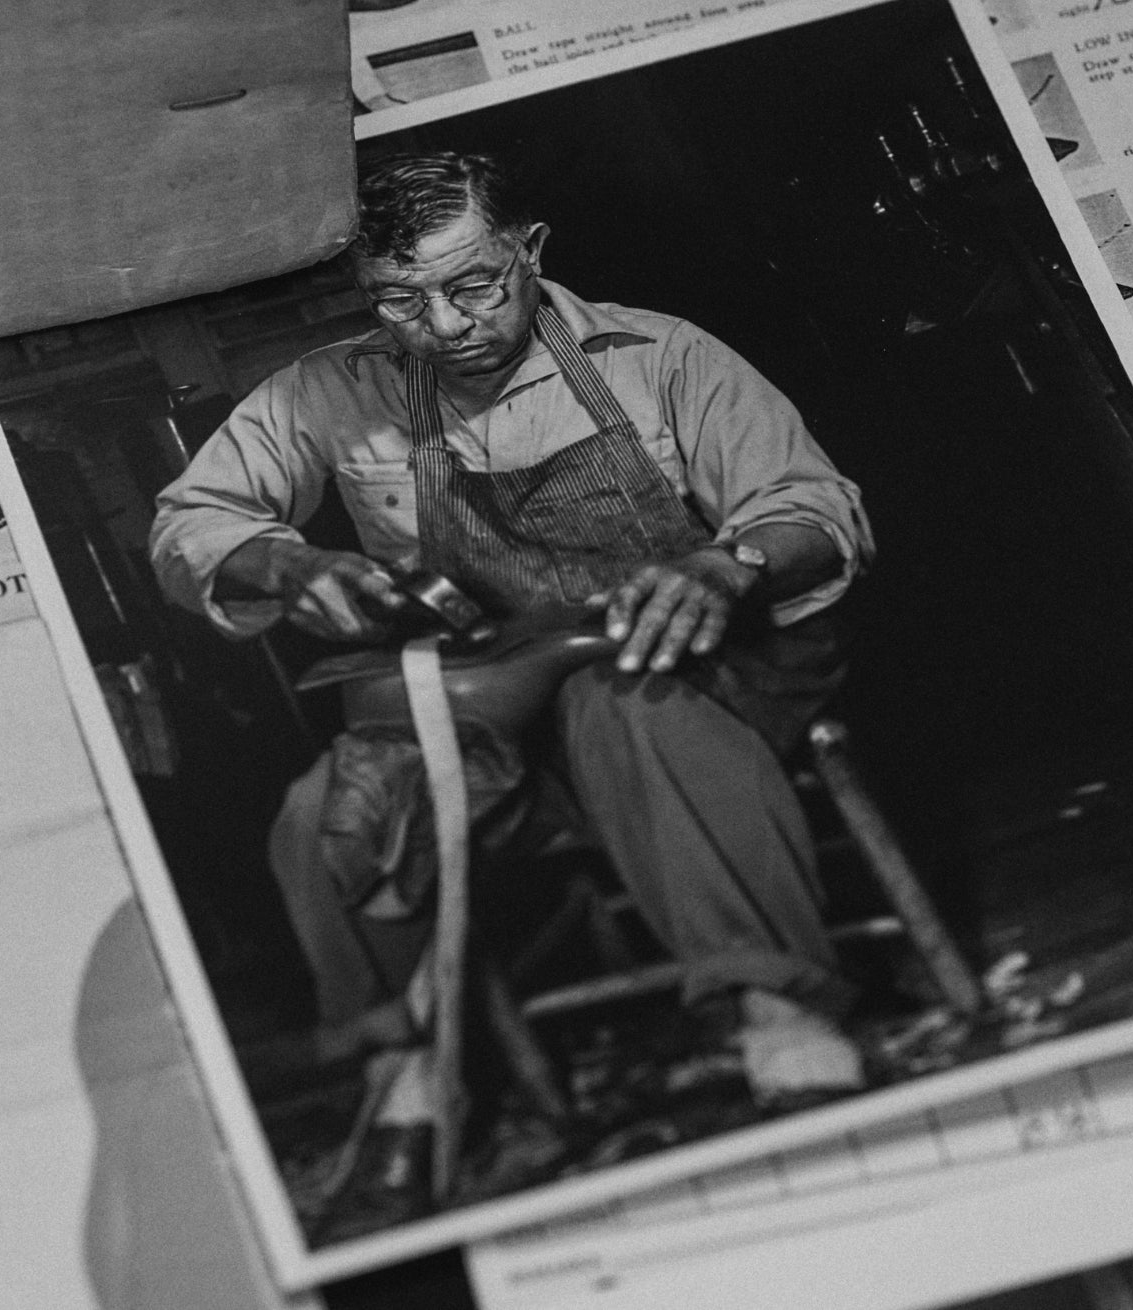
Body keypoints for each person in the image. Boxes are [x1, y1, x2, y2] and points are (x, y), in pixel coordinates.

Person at [150, 151, 876, 1101]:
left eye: (474, 286)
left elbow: (813, 508)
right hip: (492, 707)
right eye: (400, 301)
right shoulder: (330, 389)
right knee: (330, 809)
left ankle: (775, 1005)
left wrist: (726, 565)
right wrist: (286, 565)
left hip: (699, 676)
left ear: (529, 250)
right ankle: (403, 1071)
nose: (446, 326)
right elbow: (190, 521)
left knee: (625, 707)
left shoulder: (660, 356)